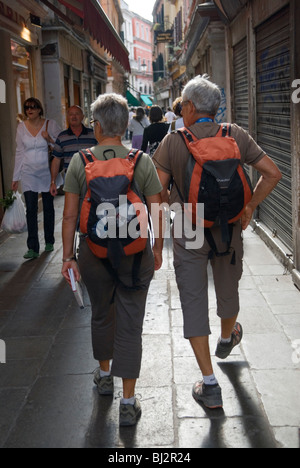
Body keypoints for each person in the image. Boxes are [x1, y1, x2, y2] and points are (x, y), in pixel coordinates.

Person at [153, 75, 282, 410]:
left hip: (188, 228)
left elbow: (156, 194)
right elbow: (273, 172)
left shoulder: (173, 142)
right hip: (228, 227)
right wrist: (250, 206)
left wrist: (169, 211)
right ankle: (227, 337)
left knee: (194, 301)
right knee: (228, 289)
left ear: (192, 107)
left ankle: (209, 385)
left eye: (183, 106)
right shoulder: (235, 134)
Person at [62, 93, 163, 426]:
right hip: (135, 256)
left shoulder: (81, 160)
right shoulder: (140, 160)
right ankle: (129, 402)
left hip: (92, 252)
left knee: (102, 314)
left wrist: (67, 257)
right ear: (123, 125)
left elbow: (69, 216)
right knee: (131, 325)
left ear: (98, 125)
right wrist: (158, 247)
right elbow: (158, 209)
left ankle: (105, 376)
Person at [12, 97, 61, 259]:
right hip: (28, 174)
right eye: (27, 107)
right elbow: (19, 152)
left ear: (39, 109)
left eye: (33, 107)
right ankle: (32, 247)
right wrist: (15, 177)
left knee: (48, 208)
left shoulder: (50, 124)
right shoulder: (21, 127)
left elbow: (60, 147)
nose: (29, 110)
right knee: (31, 209)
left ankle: (49, 241)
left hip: (47, 173)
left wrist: (49, 140)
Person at [50, 106, 97, 197]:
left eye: (77, 114)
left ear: (83, 117)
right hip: (70, 179)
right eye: (71, 114)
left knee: (90, 208)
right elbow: (56, 160)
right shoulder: (62, 137)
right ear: (67, 117)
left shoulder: (93, 135)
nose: (74, 117)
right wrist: (53, 182)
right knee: (72, 209)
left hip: (91, 178)